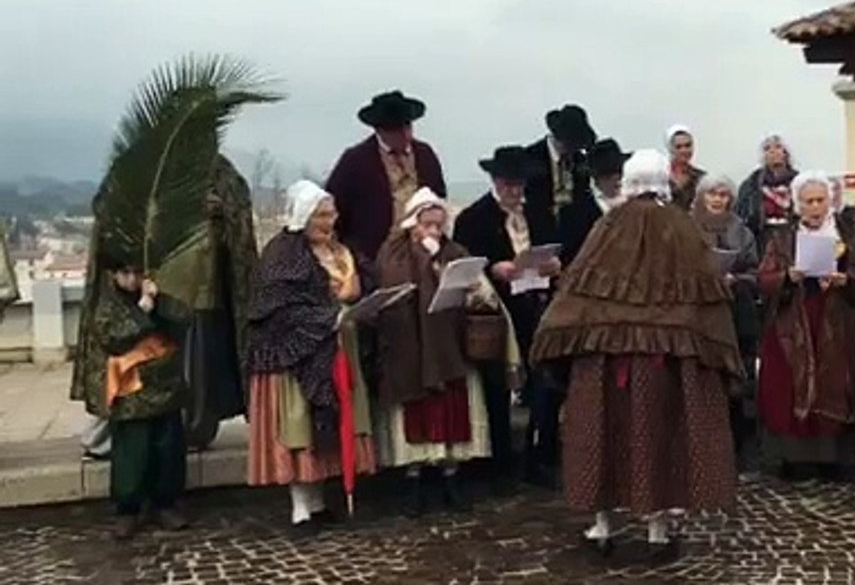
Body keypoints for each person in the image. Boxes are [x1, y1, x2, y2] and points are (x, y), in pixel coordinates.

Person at [530, 149, 741, 560]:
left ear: (628, 181)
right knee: (658, 436)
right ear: (663, 181)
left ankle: (603, 527)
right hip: (663, 359)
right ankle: (658, 533)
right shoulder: (681, 228)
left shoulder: (607, 227)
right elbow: (708, 300)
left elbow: (572, 293)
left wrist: (554, 347)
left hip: (604, 358)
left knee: (602, 434)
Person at [73, 156, 257, 452]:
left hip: (200, 284)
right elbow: (109, 207)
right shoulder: (140, 161)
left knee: (197, 368)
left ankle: (193, 430)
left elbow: (236, 208)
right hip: (151, 288)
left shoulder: (217, 169)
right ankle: (127, 434)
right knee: (141, 363)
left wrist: (221, 211)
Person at [374, 187, 520, 515]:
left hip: (451, 346)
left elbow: (482, 292)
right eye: (427, 225)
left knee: (452, 413)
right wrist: (426, 268)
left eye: (438, 225)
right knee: (415, 416)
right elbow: (388, 290)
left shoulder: (454, 252)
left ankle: (450, 476)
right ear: (412, 224)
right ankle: (414, 480)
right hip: (411, 349)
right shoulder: (394, 254)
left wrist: (470, 290)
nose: (433, 232)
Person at [245, 181, 378, 533]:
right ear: (303, 217)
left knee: (326, 426)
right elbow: (275, 309)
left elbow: (366, 278)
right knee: (299, 424)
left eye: (331, 214)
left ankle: (317, 503)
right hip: (294, 358)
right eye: (320, 215)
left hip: (335, 347)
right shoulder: (282, 254)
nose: (328, 221)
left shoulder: (339, 251)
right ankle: (300, 507)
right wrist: (326, 318)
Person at [453, 146, 562, 491]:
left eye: (519, 185)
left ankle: (539, 456)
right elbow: (462, 263)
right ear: (495, 181)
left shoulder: (540, 213)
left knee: (544, 385)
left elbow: (555, 249)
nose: (515, 191)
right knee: (496, 387)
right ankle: (498, 459)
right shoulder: (474, 218)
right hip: (496, 312)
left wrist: (553, 265)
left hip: (536, 305)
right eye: (508, 184)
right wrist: (493, 267)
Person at [757, 171, 855, 479]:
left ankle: (832, 456)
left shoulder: (845, 233)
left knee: (833, 381)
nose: (814, 207)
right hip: (793, 318)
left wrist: (845, 280)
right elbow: (764, 277)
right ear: (798, 203)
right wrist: (787, 277)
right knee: (789, 385)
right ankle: (794, 457)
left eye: (820, 200)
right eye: (808, 201)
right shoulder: (782, 237)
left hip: (835, 316)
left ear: (830, 201)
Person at [88, 255, 192, 541]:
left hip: (165, 382)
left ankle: (166, 503)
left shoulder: (160, 291)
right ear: (115, 275)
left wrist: (159, 302)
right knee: (132, 452)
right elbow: (112, 337)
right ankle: (127, 509)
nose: (132, 280)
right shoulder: (108, 301)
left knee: (168, 449)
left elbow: (185, 318)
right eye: (126, 273)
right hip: (131, 387)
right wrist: (141, 312)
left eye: (138, 273)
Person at [324, 91, 447, 266]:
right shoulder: (355, 160)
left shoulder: (425, 154)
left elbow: (439, 197)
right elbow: (335, 210)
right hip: (372, 258)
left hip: (422, 254)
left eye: (407, 126)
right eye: (396, 130)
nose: (405, 134)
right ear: (379, 130)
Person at [692, 174, 761, 470]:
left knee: (736, 381)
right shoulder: (688, 226)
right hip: (699, 313)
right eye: (713, 194)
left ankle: (737, 447)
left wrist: (738, 278)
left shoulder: (741, 231)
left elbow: (756, 271)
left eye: (723, 195)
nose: (718, 200)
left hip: (735, 312)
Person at [524, 104, 597, 239]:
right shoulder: (531, 158)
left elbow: (584, 199)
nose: (573, 150)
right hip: (539, 233)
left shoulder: (579, 160)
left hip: (575, 235)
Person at [558, 138, 631, 267]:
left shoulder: (635, 204)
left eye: (619, 174)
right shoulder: (575, 211)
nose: (617, 181)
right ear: (596, 178)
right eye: (608, 176)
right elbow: (570, 256)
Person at [735, 134, 798, 256]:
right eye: (767, 148)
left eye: (778, 147)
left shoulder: (799, 181)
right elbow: (742, 215)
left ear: (786, 153)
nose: (773, 151)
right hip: (762, 240)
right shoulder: (752, 183)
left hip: (792, 238)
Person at [666, 125, 706, 211]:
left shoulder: (701, 178)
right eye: (678, 147)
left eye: (688, 145)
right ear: (670, 149)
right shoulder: (661, 176)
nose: (684, 150)